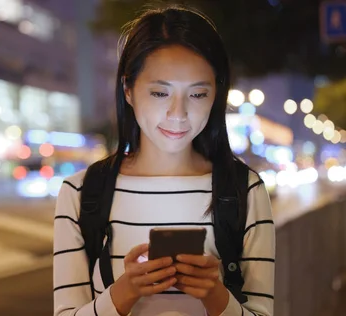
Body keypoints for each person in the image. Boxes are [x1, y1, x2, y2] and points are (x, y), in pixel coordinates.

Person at [53, 5, 275, 316]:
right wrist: (124, 292)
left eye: (197, 95)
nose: (178, 113)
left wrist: (215, 296)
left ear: (216, 96)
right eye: (160, 93)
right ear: (128, 89)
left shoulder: (244, 191)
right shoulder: (81, 193)